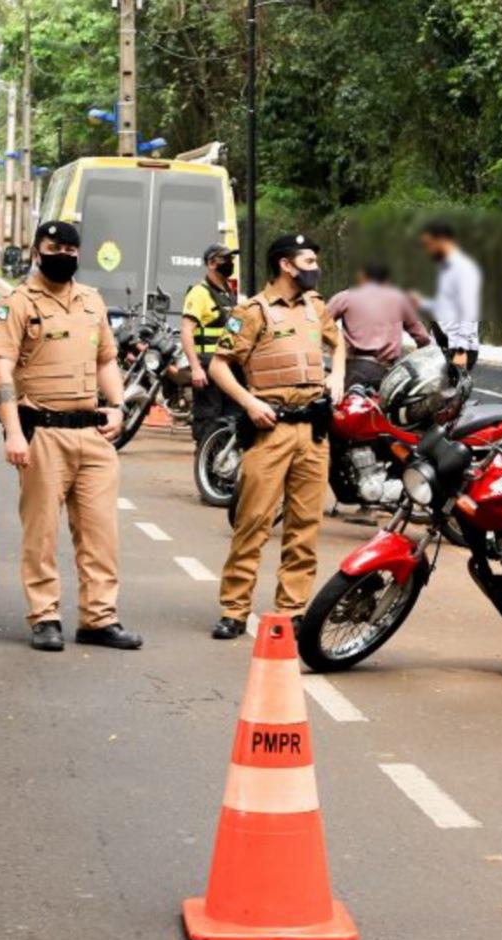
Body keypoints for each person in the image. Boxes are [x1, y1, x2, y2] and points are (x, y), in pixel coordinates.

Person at [0, 220, 143, 652]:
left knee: (100, 534)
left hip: (92, 435)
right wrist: (13, 434)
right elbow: (0, 369)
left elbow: (106, 360)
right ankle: (45, 616)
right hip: (43, 436)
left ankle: (99, 618)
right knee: (41, 534)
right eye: (55, 247)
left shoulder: (92, 301)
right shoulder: (17, 303)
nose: (64, 255)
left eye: (72, 249)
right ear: (37, 251)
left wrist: (117, 406)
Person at [208, 234, 346, 640]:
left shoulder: (315, 307)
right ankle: (234, 610)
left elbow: (339, 345)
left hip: (313, 432)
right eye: (308, 259)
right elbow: (219, 365)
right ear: (286, 265)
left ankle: (292, 609)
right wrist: (249, 403)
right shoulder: (252, 312)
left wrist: (337, 374)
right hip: (271, 430)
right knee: (253, 522)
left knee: (305, 527)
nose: (315, 266)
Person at [326, 261, 431, 393]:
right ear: (387, 280)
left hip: (353, 369)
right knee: (382, 412)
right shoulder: (400, 299)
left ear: (362, 277)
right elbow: (422, 337)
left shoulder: (345, 297)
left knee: (346, 410)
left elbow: (320, 323)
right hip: (386, 374)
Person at [181, 244, 242, 447]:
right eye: (224, 259)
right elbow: (186, 331)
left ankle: (221, 470)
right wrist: (196, 368)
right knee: (209, 420)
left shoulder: (228, 292)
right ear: (210, 263)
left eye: (231, 259)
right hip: (207, 368)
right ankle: (206, 464)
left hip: (228, 366)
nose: (230, 263)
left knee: (231, 418)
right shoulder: (200, 293)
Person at [413, 221, 482, 370]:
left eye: (429, 243)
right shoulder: (446, 269)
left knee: (449, 392)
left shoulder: (463, 268)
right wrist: (421, 302)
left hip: (458, 346)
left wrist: (461, 350)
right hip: (444, 344)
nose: (427, 249)